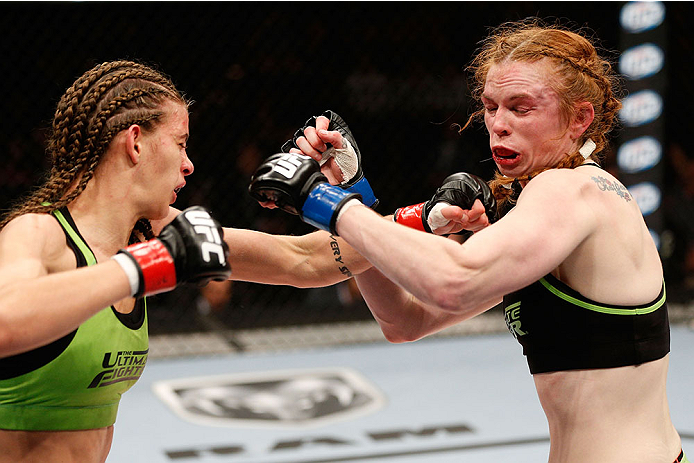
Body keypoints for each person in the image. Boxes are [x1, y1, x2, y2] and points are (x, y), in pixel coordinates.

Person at [250, 19, 688, 463]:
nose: (498, 125)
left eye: (521, 108)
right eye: (491, 106)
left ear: (580, 119)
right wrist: (352, 194)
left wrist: (322, 201)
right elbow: (405, 321)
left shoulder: (570, 191)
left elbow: (452, 280)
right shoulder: (569, 200)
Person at [0, 61, 377, 463]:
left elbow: (305, 260)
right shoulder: (38, 232)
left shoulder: (154, 229)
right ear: (135, 142)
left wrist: (393, 207)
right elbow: (6, 320)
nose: (189, 164)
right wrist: (141, 267)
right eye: (180, 142)